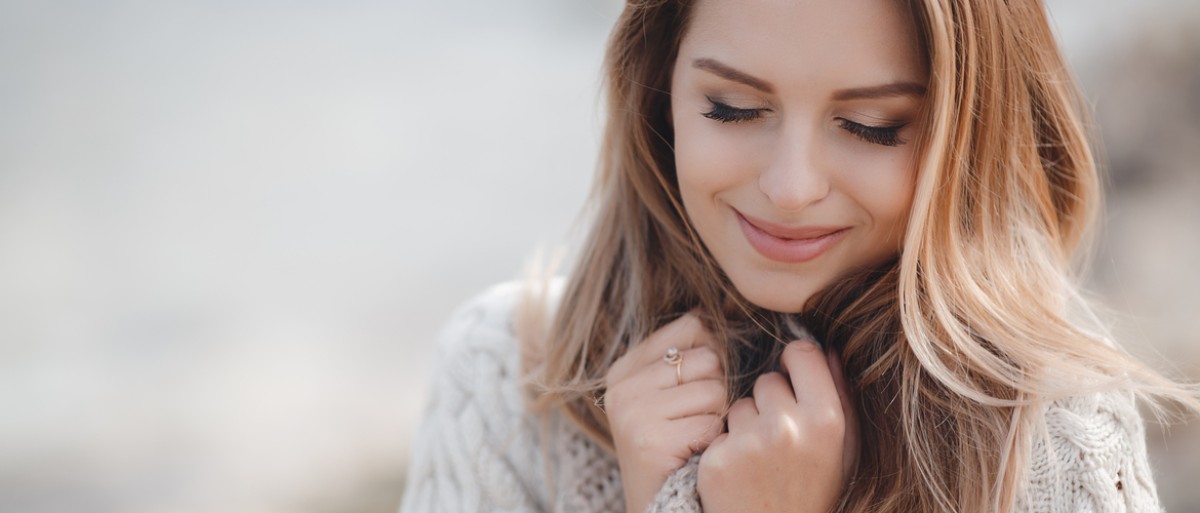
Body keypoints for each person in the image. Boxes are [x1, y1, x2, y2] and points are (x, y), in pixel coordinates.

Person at [400, 1, 1198, 512]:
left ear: (968, 132)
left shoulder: (1051, 430)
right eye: (735, 108)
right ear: (659, 92)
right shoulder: (506, 381)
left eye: (871, 125)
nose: (790, 187)